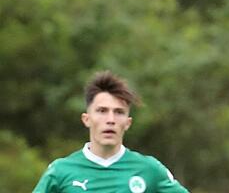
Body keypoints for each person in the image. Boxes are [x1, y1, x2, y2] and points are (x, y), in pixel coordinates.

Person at [33, 71, 189, 193]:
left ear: (128, 123)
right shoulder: (61, 170)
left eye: (119, 112)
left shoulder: (149, 169)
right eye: (102, 111)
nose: (111, 119)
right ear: (87, 119)